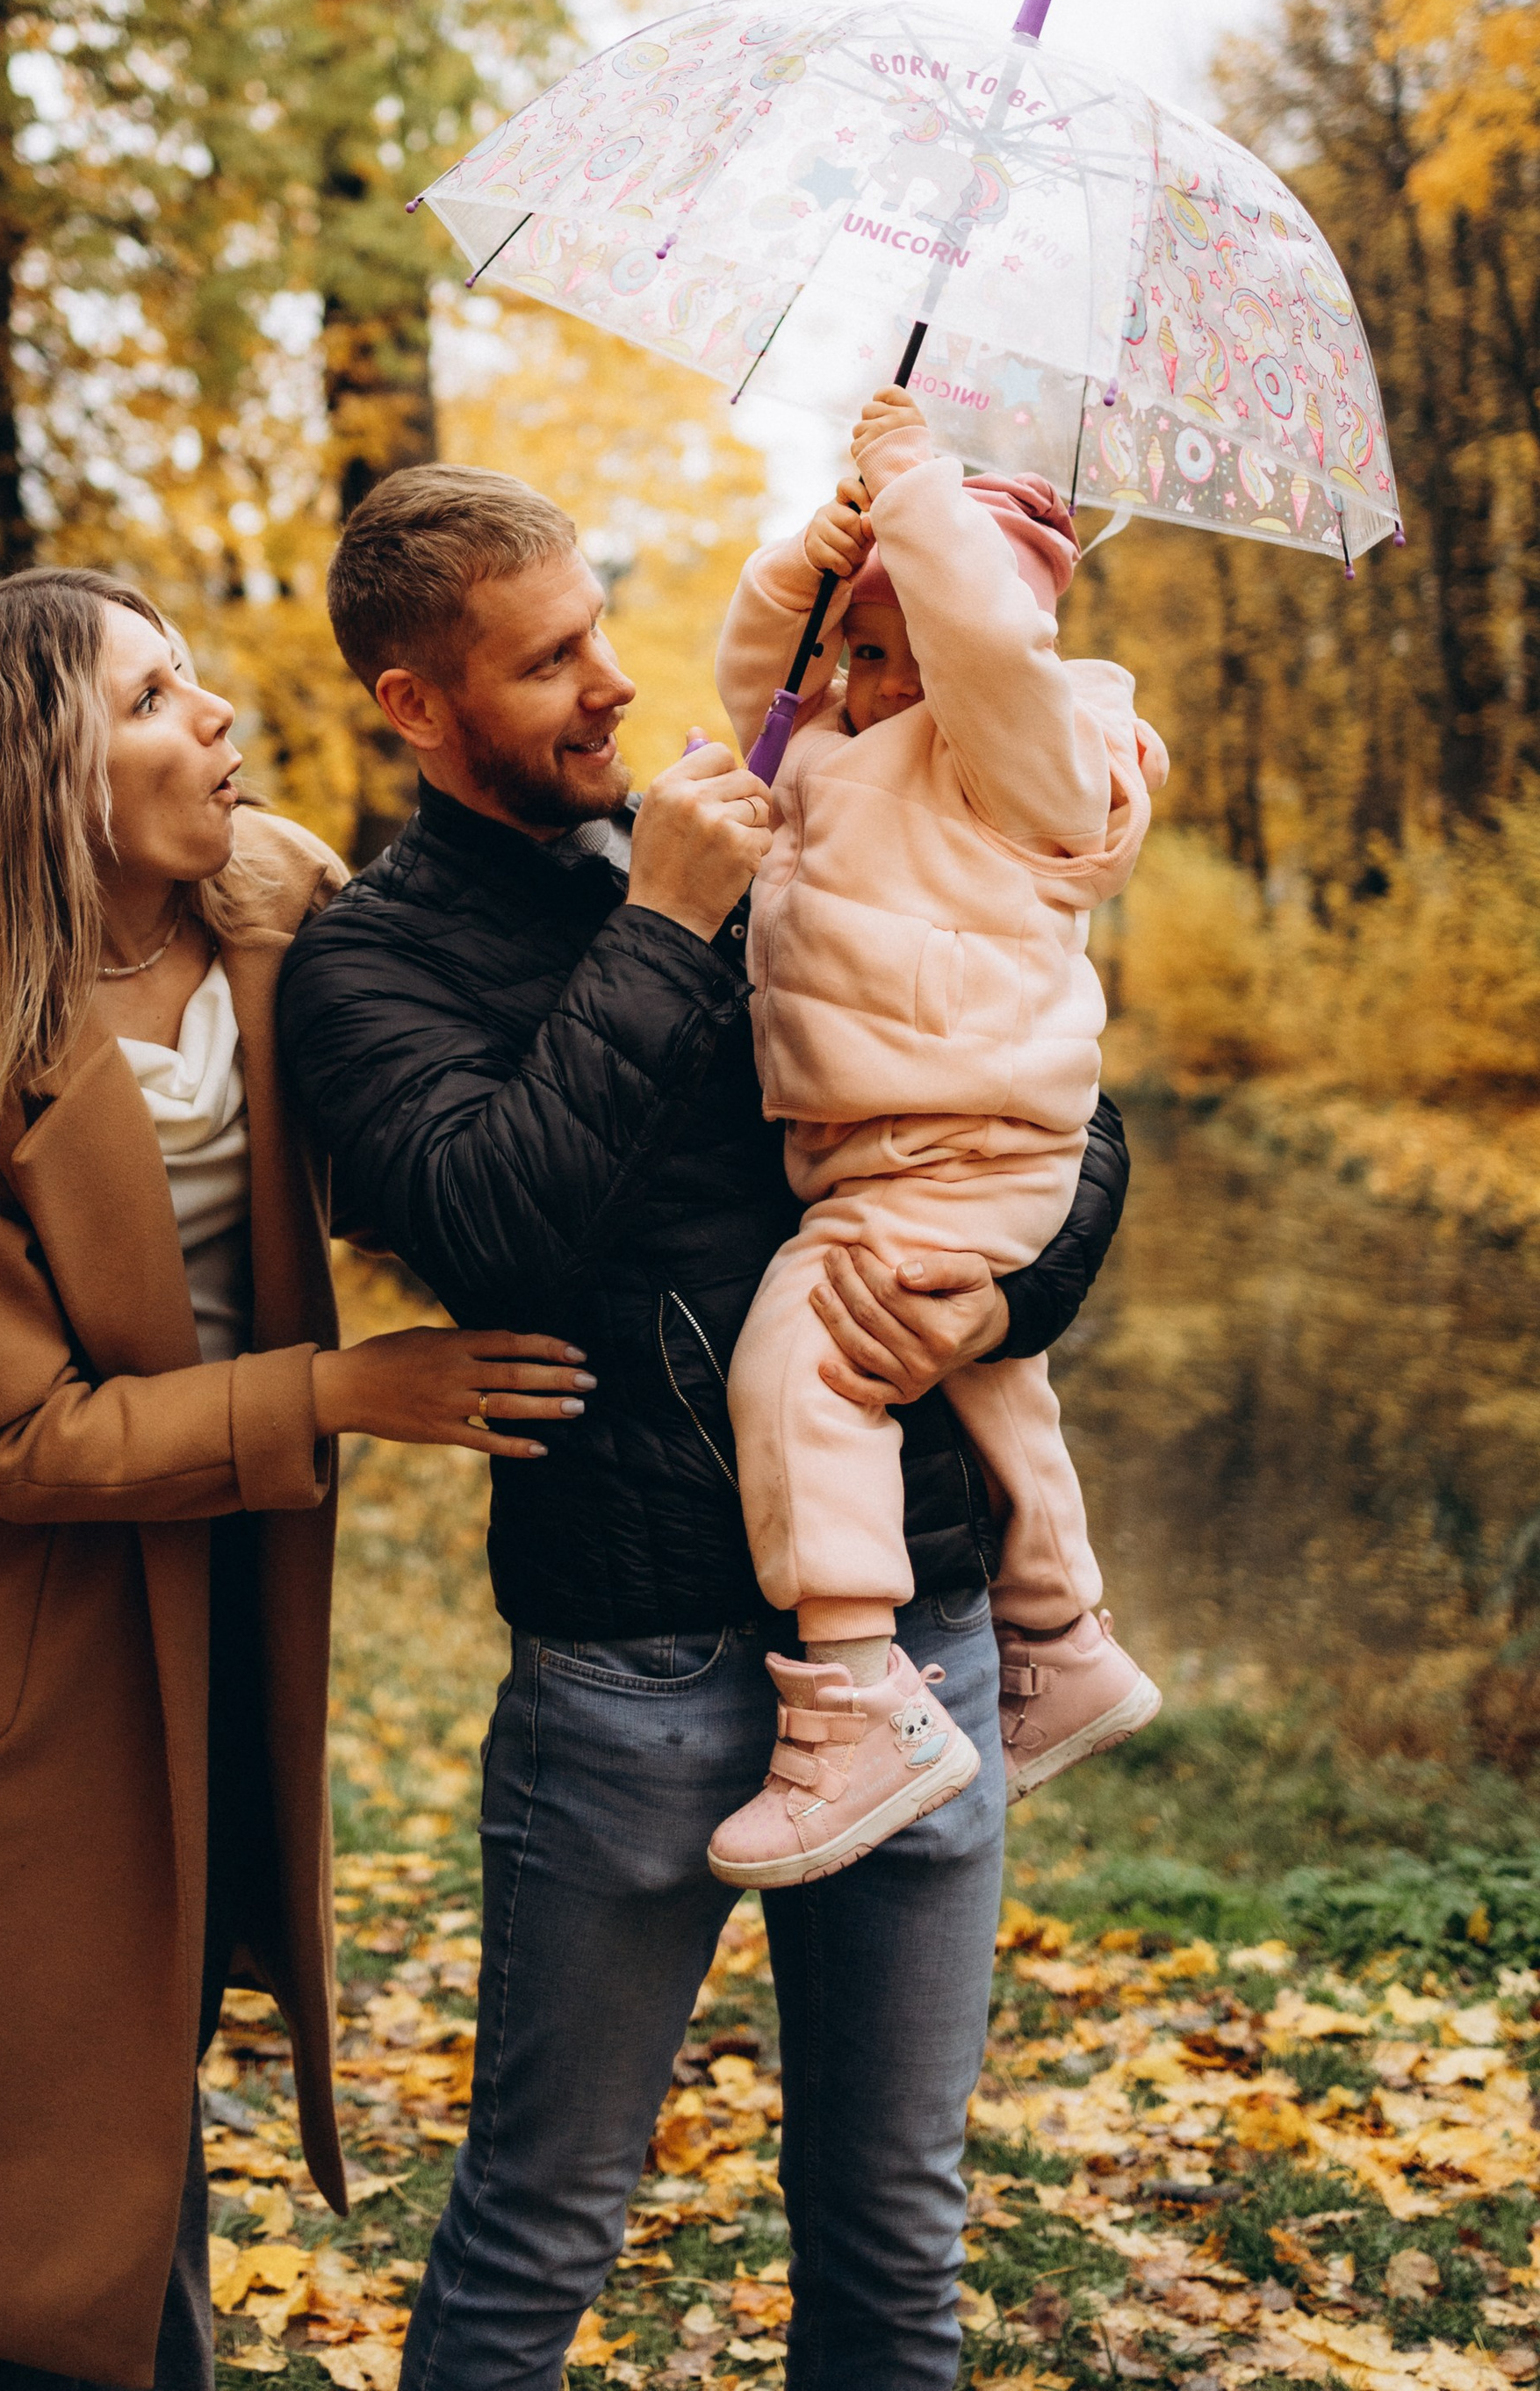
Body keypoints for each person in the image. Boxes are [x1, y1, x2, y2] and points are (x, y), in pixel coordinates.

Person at [276, 465, 1131, 2391]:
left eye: (599, 630)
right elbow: (486, 1221)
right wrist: (661, 925)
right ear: (413, 709)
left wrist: (1004, 1296)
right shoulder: (371, 961)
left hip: (913, 1640)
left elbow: (1015, 1107)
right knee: (537, 2232)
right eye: (544, 661)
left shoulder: (768, 831)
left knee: (896, 2236)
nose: (605, 684)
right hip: (633, 1667)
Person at [0, 566, 590, 2391]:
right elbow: (21, 1437)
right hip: (17, 1621)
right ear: (31, 774)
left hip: (217, 1583)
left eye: (194, 683)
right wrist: (347, 1390)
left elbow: (457, 1058)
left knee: (145, 2057)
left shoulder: (282, 896)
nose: (213, 717)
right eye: (150, 697)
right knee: (0, 2148)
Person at [706, 385, 1167, 1897]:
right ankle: (1063, 1638)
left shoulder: (1026, 764)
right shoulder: (841, 750)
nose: (855, 677)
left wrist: (918, 488)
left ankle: (857, 1702)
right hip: (892, 1145)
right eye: (848, 648)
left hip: (961, 1142)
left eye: (886, 651)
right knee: (988, 1374)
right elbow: (745, 697)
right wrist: (808, 563)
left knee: (801, 1360)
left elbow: (984, 644)